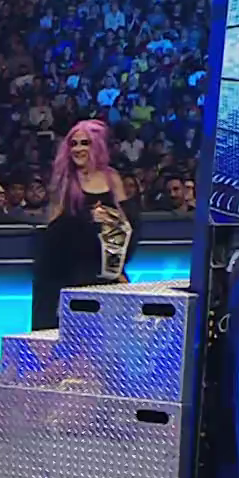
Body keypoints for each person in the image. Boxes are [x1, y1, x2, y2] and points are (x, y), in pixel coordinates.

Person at [31, 119, 138, 330]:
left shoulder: (112, 177)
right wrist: (89, 220)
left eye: (84, 143)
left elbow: (129, 224)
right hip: (71, 271)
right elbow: (54, 231)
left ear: (97, 145)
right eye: (74, 144)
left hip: (106, 271)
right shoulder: (64, 181)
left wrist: (110, 220)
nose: (78, 149)